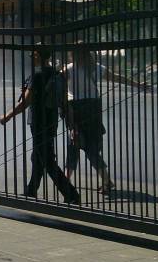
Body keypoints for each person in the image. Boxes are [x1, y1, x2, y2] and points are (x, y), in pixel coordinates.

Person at [0, 45, 80, 204]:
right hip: (51, 121)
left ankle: (71, 194)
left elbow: (25, 103)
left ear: (38, 56)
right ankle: (30, 191)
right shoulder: (58, 75)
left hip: (38, 122)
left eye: (33, 54)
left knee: (47, 160)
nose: (31, 56)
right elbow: (64, 103)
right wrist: (71, 125)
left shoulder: (37, 76)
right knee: (39, 156)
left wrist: (7, 116)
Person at [62, 44, 146, 194]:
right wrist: (137, 85)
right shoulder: (95, 68)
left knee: (73, 145)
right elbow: (118, 78)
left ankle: (65, 181)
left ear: (72, 54)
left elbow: (57, 85)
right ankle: (106, 181)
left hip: (75, 110)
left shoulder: (68, 69)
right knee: (92, 149)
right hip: (93, 109)